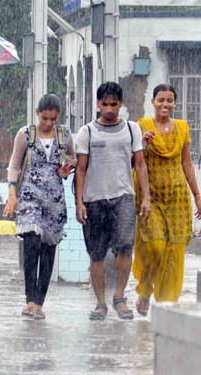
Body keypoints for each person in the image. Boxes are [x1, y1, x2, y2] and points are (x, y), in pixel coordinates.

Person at [74, 81, 151, 321]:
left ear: (121, 104)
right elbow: (81, 169)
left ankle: (119, 296)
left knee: (126, 246)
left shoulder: (131, 129)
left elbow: (139, 163)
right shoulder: (87, 131)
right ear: (98, 104)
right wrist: (79, 202)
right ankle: (100, 303)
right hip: (94, 199)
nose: (109, 109)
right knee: (96, 253)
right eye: (105, 104)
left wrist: (146, 197)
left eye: (114, 104)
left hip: (124, 197)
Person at [3, 94, 75, 320]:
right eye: (45, 118)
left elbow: (72, 158)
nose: (49, 123)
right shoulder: (25, 134)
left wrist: (66, 168)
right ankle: (29, 298)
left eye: (53, 119)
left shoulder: (64, 135)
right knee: (32, 241)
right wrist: (12, 192)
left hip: (54, 197)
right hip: (30, 195)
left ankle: (40, 303)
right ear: (37, 113)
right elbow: (14, 164)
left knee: (48, 248)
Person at [132, 84, 201, 315]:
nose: (165, 104)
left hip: (177, 199)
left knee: (174, 252)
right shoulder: (143, 126)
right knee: (155, 246)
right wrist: (143, 143)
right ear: (153, 102)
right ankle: (145, 288)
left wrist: (197, 195)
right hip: (150, 198)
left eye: (169, 100)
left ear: (175, 103)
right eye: (161, 100)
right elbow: (135, 160)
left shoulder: (182, 127)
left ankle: (165, 307)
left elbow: (187, 163)